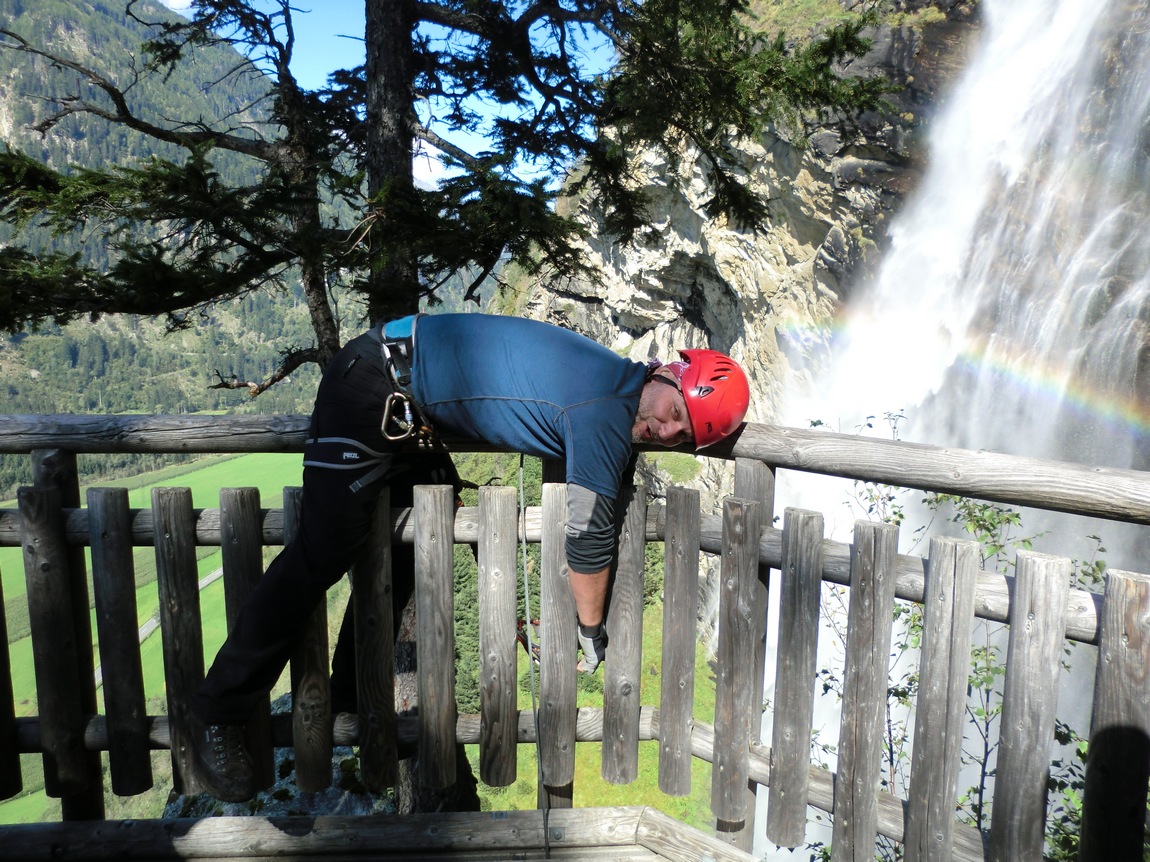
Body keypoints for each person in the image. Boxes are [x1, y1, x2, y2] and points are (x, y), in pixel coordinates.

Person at [189, 312, 750, 802]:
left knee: (406, 548)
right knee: (319, 554)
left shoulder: (615, 382)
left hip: (404, 403)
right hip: (372, 390)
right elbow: (587, 541)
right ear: (665, 374)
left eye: (681, 435)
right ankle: (217, 712)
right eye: (673, 410)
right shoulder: (606, 412)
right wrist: (589, 630)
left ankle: (346, 699)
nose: (664, 430)